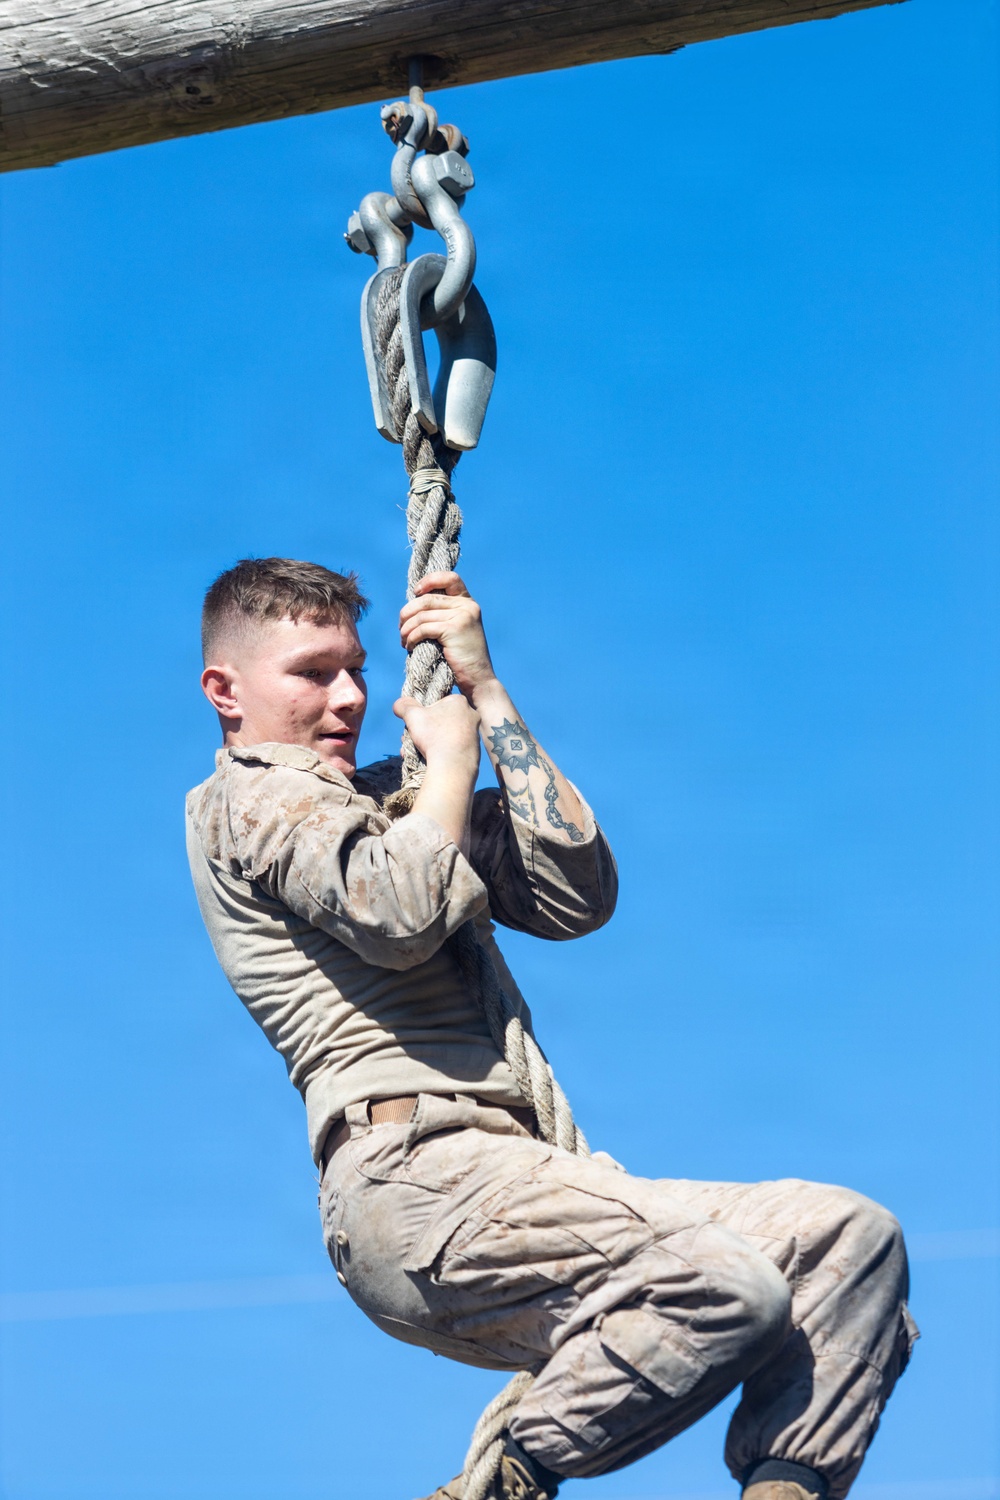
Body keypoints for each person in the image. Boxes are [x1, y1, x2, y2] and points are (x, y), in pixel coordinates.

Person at [186, 556, 917, 1500]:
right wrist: (448, 764)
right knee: (727, 1286)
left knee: (846, 1238)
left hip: (515, 1173)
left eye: (357, 669)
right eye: (314, 672)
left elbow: (576, 892)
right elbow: (400, 914)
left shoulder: (396, 800)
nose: (352, 697)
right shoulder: (251, 798)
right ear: (225, 691)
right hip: (415, 1182)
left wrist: (486, 694)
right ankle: (502, 1482)